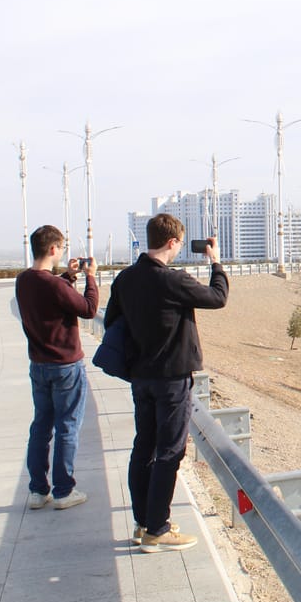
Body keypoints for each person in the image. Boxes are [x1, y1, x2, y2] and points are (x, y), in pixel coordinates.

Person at [104, 213, 228, 553]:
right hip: (171, 380)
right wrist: (216, 263)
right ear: (173, 242)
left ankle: (143, 522)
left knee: (143, 446)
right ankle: (158, 528)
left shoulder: (125, 279)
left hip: (140, 378)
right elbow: (217, 297)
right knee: (169, 452)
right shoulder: (172, 280)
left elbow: (112, 320)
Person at [15, 225, 98, 511]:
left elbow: (50, 293)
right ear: (52, 249)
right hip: (65, 365)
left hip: (38, 365)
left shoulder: (24, 280)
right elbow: (88, 309)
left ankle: (38, 490)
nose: (62, 252)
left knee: (41, 426)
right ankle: (64, 491)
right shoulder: (53, 285)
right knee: (67, 427)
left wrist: (68, 276)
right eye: (61, 248)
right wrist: (90, 278)